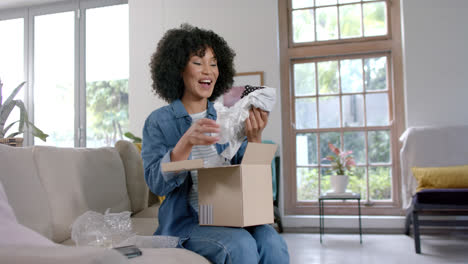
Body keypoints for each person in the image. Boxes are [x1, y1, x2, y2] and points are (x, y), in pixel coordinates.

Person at [141, 24, 290, 264]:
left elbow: (248, 179)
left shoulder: (227, 117)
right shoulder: (159, 121)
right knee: (239, 245)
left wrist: (254, 139)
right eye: (198, 63)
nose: (208, 71)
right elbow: (156, 184)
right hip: (187, 222)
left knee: (272, 241)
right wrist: (185, 143)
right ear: (178, 68)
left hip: (231, 215)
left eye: (214, 63)